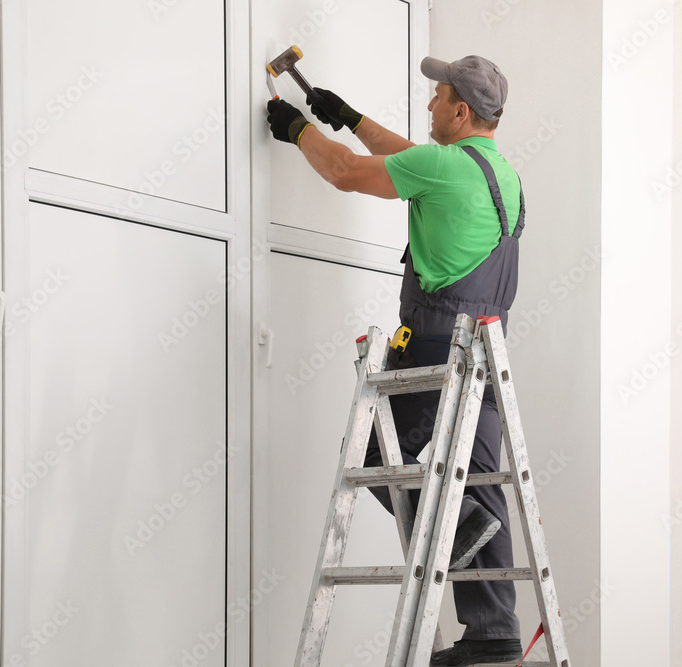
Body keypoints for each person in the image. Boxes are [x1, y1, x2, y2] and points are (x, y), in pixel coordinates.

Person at [267, 54, 525, 666]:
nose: (431, 105)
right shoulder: (498, 173)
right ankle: (494, 631)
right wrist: (351, 117)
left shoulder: (441, 165)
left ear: (461, 110)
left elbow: (347, 174)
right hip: (488, 354)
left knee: (378, 457)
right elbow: (413, 157)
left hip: (438, 346)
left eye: (438, 97)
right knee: (482, 484)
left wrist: (299, 129)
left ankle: (459, 529)